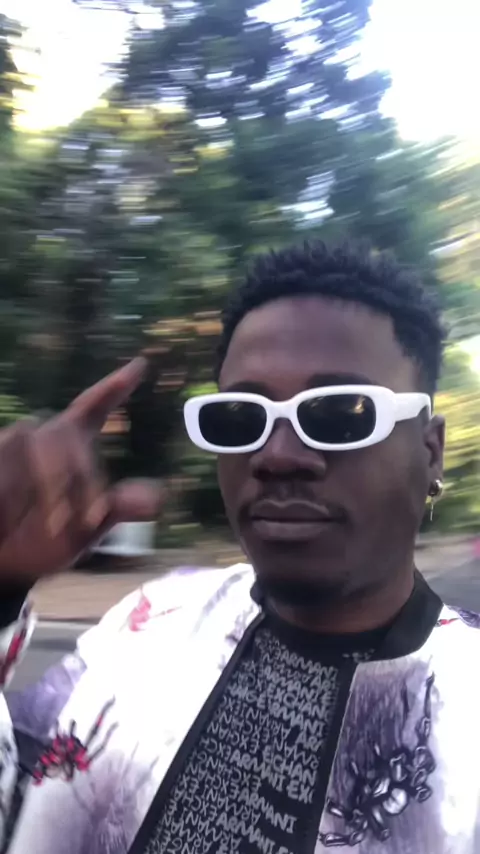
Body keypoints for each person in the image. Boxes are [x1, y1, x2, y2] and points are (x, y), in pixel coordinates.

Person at [0, 240, 478, 854]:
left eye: (340, 414)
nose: (276, 455)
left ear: (431, 451)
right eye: (241, 419)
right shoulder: (156, 618)